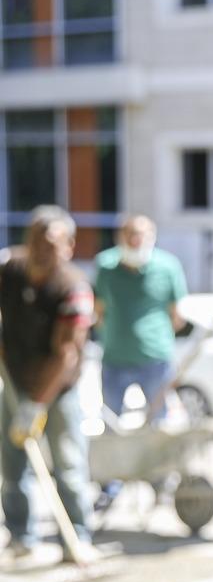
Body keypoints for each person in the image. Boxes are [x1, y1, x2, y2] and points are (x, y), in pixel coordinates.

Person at [0, 206, 95, 557]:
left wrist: (36, 404)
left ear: (69, 246)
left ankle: (77, 536)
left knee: (68, 465)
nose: (41, 250)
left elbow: (66, 354)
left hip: (59, 389)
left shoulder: (73, 289)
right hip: (14, 381)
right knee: (12, 465)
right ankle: (21, 536)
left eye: (51, 243)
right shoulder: (9, 270)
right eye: (35, 241)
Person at [93, 214, 188, 423]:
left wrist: (154, 336)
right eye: (130, 235)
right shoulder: (105, 266)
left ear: (152, 237)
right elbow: (98, 312)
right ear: (120, 237)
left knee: (159, 422)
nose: (135, 241)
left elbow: (178, 317)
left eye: (141, 236)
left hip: (156, 360)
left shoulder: (168, 266)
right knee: (109, 423)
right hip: (114, 359)